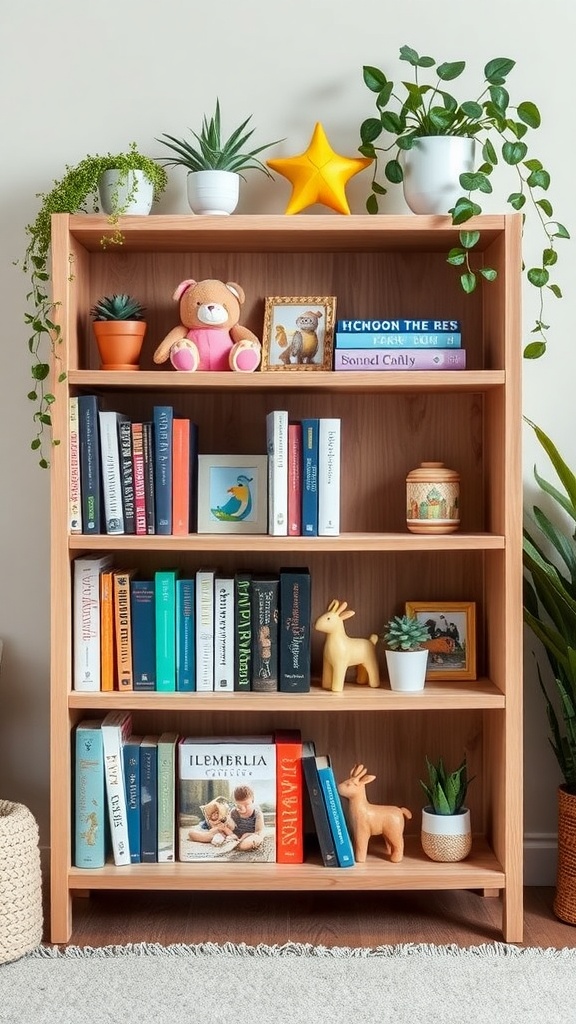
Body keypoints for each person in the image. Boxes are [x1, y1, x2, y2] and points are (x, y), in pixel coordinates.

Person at [230, 784, 266, 851]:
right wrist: (231, 835)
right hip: (237, 835)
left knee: (251, 841)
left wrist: (246, 835)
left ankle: (240, 845)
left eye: (246, 805)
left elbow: (258, 832)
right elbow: (230, 828)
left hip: (252, 834)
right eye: (239, 806)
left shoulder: (257, 813)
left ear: (252, 801)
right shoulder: (234, 812)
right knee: (218, 832)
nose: (243, 809)